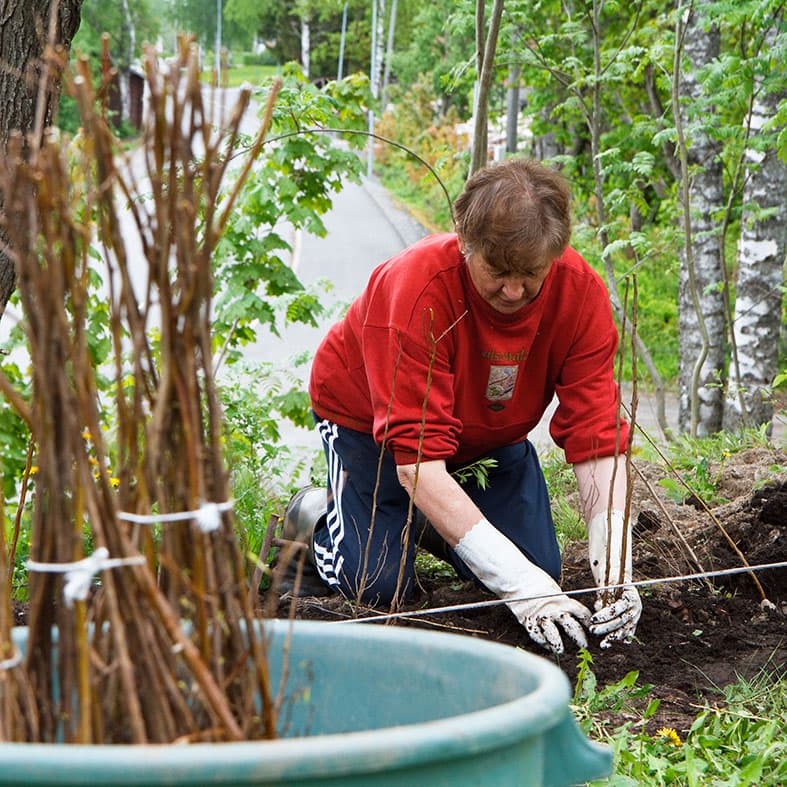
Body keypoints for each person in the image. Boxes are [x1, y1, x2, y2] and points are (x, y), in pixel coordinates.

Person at [278, 157, 642, 655]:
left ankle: (433, 518)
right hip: (371, 429)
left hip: (487, 439)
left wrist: (616, 571)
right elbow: (419, 466)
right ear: (465, 244)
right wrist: (520, 589)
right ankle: (315, 518)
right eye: (498, 271)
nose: (514, 291)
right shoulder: (418, 289)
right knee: (375, 588)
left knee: (539, 569)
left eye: (531, 274)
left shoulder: (579, 295)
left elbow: (596, 438)